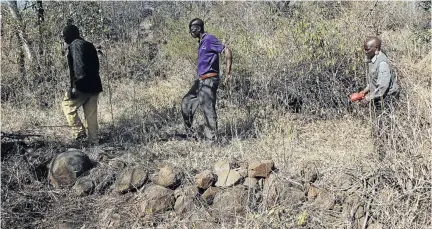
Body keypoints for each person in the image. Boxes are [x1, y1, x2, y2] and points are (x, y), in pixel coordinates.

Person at [181, 18, 232, 141]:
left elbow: (227, 50)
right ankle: (191, 134)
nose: (191, 32)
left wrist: (228, 73)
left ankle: (212, 140)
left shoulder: (209, 39)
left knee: (207, 108)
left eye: (192, 29)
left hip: (209, 79)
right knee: (186, 102)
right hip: (201, 81)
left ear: (198, 28)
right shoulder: (202, 42)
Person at [352, 36, 399, 158]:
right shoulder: (372, 59)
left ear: (376, 48)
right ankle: (379, 153)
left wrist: (368, 98)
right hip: (378, 98)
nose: (365, 51)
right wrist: (364, 91)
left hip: (387, 100)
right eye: (364, 49)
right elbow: (372, 81)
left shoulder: (382, 63)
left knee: (383, 127)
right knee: (377, 126)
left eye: (367, 49)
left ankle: (385, 155)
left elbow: (383, 88)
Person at [61, 25, 103, 144]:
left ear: (70, 34)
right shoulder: (88, 44)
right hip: (95, 85)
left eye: (64, 35)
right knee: (91, 115)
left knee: (67, 106)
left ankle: (80, 135)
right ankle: (94, 141)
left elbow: (80, 67)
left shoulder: (75, 45)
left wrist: (75, 87)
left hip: (82, 86)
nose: (63, 38)